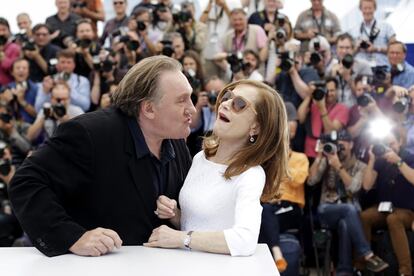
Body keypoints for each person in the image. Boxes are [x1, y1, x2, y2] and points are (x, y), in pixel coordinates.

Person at [9, 56, 195, 257]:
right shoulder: (90, 133)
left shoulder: (175, 140)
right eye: (181, 100)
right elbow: (25, 183)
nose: (192, 109)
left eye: (190, 97)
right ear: (148, 108)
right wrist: (73, 237)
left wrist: (175, 214)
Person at [145, 80, 290, 257]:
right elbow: (199, 224)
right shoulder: (201, 157)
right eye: (228, 96)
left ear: (256, 127)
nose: (226, 103)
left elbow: (245, 240)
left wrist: (180, 238)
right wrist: (174, 213)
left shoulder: (250, 174)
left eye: (239, 104)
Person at [308, 129, 388, 275]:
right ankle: (367, 254)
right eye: (337, 145)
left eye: (342, 145)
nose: (339, 149)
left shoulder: (360, 166)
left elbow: (353, 188)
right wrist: (319, 157)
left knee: (346, 221)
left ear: (351, 145)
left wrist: (338, 167)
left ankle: (344, 271)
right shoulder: (328, 161)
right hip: (326, 209)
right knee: (349, 210)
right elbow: (311, 180)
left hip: (349, 214)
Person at [259, 102, 308, 272]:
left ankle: (276, 254)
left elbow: (297, 180)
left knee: (263, 216)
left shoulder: (300, 158)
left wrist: (281, 160)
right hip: (269, 207)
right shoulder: (267, 159)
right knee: (261, 213)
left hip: (291, 208)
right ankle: (276, 253)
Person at [361, 130, 414, 276]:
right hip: (384, 208)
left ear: (400, 142)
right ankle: (363, 265)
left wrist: (398, 161)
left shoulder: (409, 158)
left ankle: (406, 271)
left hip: (407, 211)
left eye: (392, 144)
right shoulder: (380, 161)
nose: (389, 148)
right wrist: (371, 160)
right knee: (364, 217)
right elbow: (366, 186)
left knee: (394, 219)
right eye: (386, 144)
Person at [348, 0, 396, 67]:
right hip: (360, 70)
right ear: (360, 9)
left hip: (381, 68)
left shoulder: (386, 27)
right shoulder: (353, 30)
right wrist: (357, 47)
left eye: (370, 8)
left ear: (375, 8)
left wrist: (376, 49)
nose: (367, 11)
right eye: (365, 8)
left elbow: (395, 49)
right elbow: (348, 54)